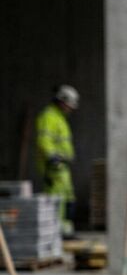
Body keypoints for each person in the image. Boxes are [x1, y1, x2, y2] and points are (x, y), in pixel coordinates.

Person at [36, 85, 80, 238]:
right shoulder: (48, 116)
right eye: (69, 105)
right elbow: (44, 140)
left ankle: (66, 231)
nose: (71, 109)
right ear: (62, 101)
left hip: (63, 167)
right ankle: (55, 233)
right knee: (56, 200)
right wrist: (52, 157)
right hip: (53, 167)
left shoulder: (60, 118)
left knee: (69, 199)